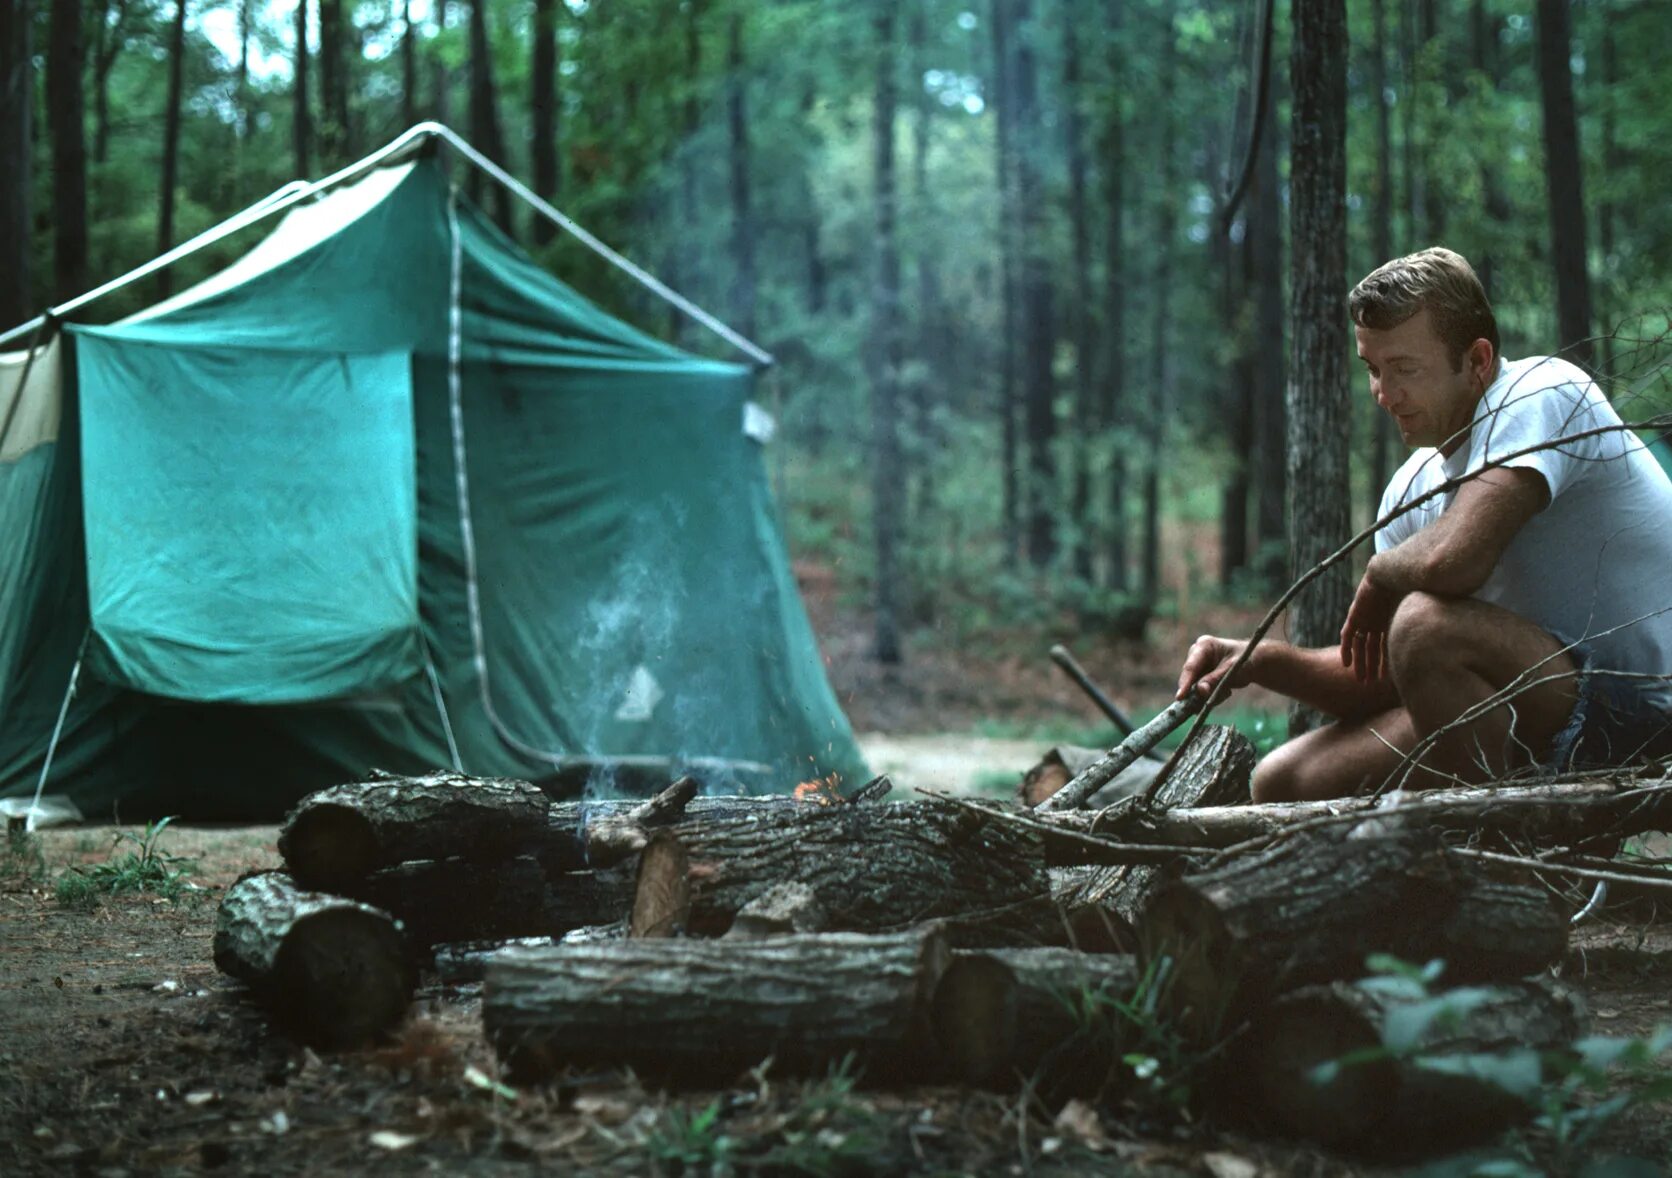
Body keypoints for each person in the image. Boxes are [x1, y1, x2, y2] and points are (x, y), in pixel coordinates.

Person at [1177, 247, 1672, 802]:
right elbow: (1380, 674)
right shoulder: (1412, 485)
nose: (1385, 395)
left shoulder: (1541, 391)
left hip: (1643, 711)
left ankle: (1493, 863)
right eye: (1373, 369)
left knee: (1422, 624)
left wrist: (1381, 572)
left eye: (1406, 369)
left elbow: (1454, 561)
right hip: (1539, 700)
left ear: (1478, 360)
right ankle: (1446, 851)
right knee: (1283, 780)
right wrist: (1257, 659)